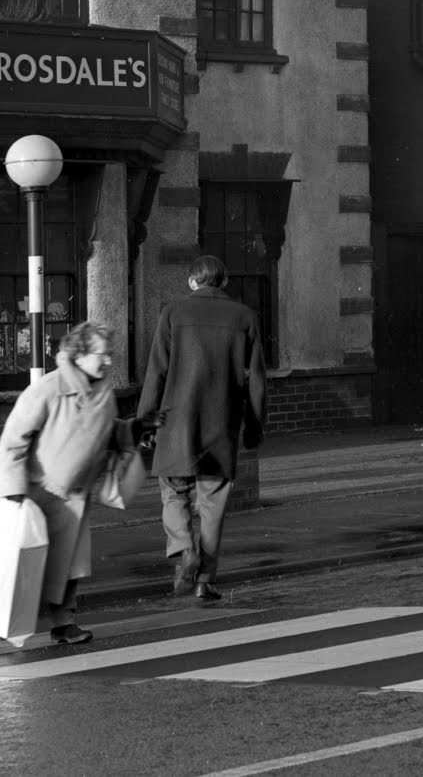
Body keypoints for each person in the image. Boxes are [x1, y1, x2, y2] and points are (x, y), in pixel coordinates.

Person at [138, 254, 267, 602]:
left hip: (176, 423)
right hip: (221, 424)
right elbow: (256, 380)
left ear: (192, 282)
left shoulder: (173, 314)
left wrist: (146, 420)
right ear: (223, 282)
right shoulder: (244, 317)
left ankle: (183, 551)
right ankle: (204, 580)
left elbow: (157, 372)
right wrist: (254, 428)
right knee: (213, 503)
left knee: (174, 493)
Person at [0, 321, 128, 645]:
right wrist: (12, 490)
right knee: (26, 562)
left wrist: (138, 428)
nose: (109, 361)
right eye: (103, 354)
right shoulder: (49, 388)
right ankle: (3, 619)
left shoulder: (102, 391)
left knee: (70, 567)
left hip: (76, 495)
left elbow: (108, 431)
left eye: (110, 354)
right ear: (79, 354)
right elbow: (13, 438)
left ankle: (64, 623)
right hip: (40, 493)